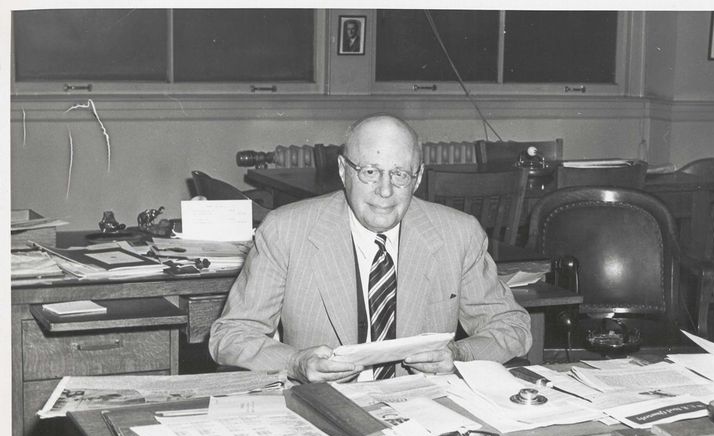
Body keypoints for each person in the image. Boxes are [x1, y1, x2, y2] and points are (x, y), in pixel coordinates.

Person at [209, 114, 532, 383]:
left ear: (417, 179)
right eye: (369, 172)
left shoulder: (458, 234)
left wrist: (459, 355)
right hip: (322, 407)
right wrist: (296, 362)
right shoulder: (285, 231)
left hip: (425, 408)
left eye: (400, 174)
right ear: (343, 170)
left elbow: (512, 326)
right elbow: (230, 335)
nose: (385, 190)